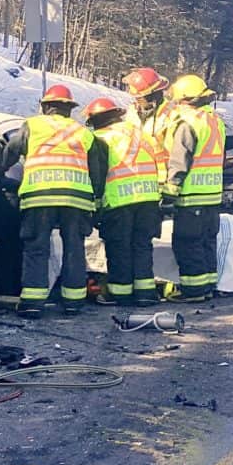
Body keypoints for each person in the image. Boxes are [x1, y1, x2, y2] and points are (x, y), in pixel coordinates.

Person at [0, 85, 102, 318]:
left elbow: (11, 152)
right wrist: (96, 199)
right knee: (74, 249)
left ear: (45, 106)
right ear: (69, 108)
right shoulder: (83, 133)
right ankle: (74, 303)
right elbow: (97, 172)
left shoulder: (33, 125)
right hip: (77, 200)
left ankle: (32, 303)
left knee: (36, 248)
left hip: (40, 197)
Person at [84, 97, 163, 307]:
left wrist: (96, 205)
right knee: (142, 246)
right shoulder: (137, 132)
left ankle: (120, 293)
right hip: (148, 198)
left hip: (120, 201)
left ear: (95, 120)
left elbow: (98, 176)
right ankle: (145, 293)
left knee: (119, 248)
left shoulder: (101, 138)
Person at [160, 74, 226, 303]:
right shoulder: (214, 120)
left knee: (188, 243)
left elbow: (180, 161)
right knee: (207, 242)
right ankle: (208, 286)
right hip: (212, 196)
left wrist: (169, 192)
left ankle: (194, 291)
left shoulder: (187, 123)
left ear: (184, 99)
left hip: (191, 197)